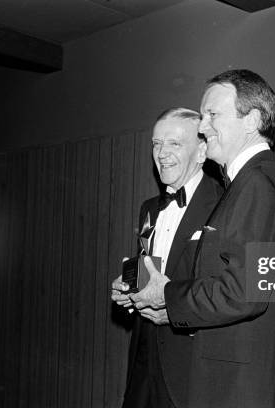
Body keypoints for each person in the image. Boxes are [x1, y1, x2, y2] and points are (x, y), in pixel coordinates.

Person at [131, 70, 275, 408]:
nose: (202, 127)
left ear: (252, 120)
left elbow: (243, 293)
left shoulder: (257, 185)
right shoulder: (256, 181)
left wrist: (168, 295)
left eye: (213, 114)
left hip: (249, 388)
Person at [111, 107, 222, 408]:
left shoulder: (224, 204)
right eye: (157, 144)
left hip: (190, 366)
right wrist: (130, 290)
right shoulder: (149, 208)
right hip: (143, 361)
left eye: (174, 143)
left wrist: (175, 309)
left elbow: (228, 291)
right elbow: (153, 272)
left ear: (201, 152)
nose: (162, 153)